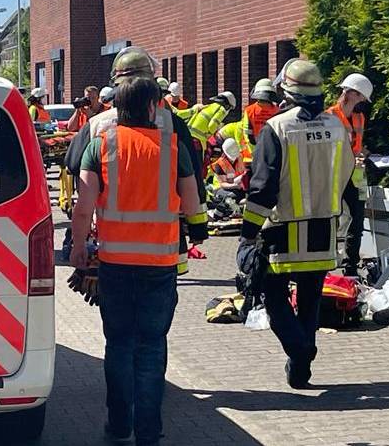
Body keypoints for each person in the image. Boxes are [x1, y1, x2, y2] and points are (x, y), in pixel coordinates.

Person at [71, 75, 205, 446]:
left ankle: (118, 426)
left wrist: (78, 246)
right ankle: (148, 432)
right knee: (151, 346)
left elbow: (83, 207)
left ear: (116, 108)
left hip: (114, 265)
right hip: (160, 267)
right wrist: (194, 228)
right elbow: (192, 203)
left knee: (118, 344)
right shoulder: (173, 148)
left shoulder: (101, 145)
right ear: (152, 106)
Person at [239, 59, 355, 389]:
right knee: (310, 300)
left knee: (273, 297)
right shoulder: (337, 127)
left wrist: (248, 232)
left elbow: (263, 188)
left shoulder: (277, 128)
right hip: (323, 229)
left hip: (283, 231)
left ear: (287, 92)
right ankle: (301, 369)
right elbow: (347, 175)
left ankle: (300, 351)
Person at [64, 47, 208, 277]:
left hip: (112, 245)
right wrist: (198, 226)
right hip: (162, 245)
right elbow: (193, 177)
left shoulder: (98, 124)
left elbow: (73, 164)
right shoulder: (173, 124)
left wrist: (79, 239)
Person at [327, 73, 374, 276]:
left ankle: (351, 266)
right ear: (352, 93)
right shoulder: (329, 117)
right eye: (361, 96)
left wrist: (364, 154)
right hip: (335, 175)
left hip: (356, 174)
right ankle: (326, 264)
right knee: (330, 219)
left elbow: (356, 146)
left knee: (357, 220)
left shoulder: (359, 117)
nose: (363, 101)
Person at [214, 78, 279, 164]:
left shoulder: (249, 110)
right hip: (272, 154)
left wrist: (254, 154)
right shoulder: (277, 111)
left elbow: (248, 135)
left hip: (251, 157)